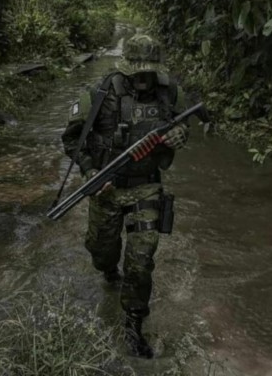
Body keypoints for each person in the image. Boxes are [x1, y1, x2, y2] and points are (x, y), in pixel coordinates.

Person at [61, 45, 189, 359]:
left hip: (146, 188)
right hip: (106, 189)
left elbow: (184, 126)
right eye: (137, 70)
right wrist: (91, 171)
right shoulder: (99, 95)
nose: (143, 77)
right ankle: (108, 272)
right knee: (101, 251)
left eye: (148, 70)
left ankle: (133, 323)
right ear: (126, 67)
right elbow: (71, 139)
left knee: (141, 260)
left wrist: (180, 133)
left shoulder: (170, 94)